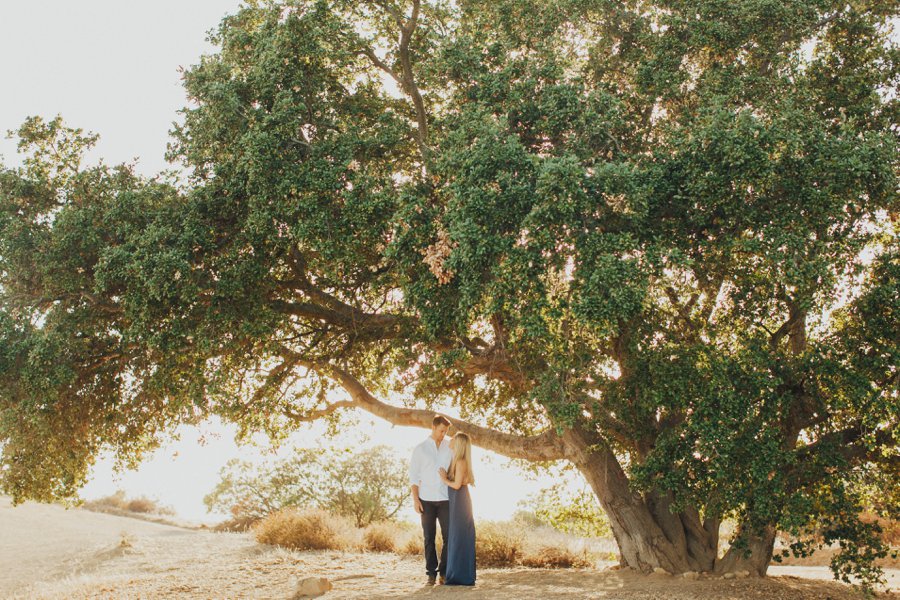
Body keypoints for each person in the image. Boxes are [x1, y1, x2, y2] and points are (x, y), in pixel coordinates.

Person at [408, 414, 452, 586]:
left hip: (445, 499)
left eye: (446, 431)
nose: (443, 434)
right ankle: (431, 574)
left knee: (449, 537)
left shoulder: (450, 447)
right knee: (429, 538)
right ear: (433, 427)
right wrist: (415, 499)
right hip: (425, 499)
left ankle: (444, 572)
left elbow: (456, 466)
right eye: (441, 431)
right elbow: (413, 476)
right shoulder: (420, 449)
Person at [439, 432, 476, 586]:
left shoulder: (460, 461)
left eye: (453, 437)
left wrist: (444, 478)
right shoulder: (456, 460)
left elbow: (456, 484)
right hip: (457, 501)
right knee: (457, 536)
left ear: (458, 443)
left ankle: (459, 576)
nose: (450, 439)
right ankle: (456, 573)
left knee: (459, 537)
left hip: (460, 502)